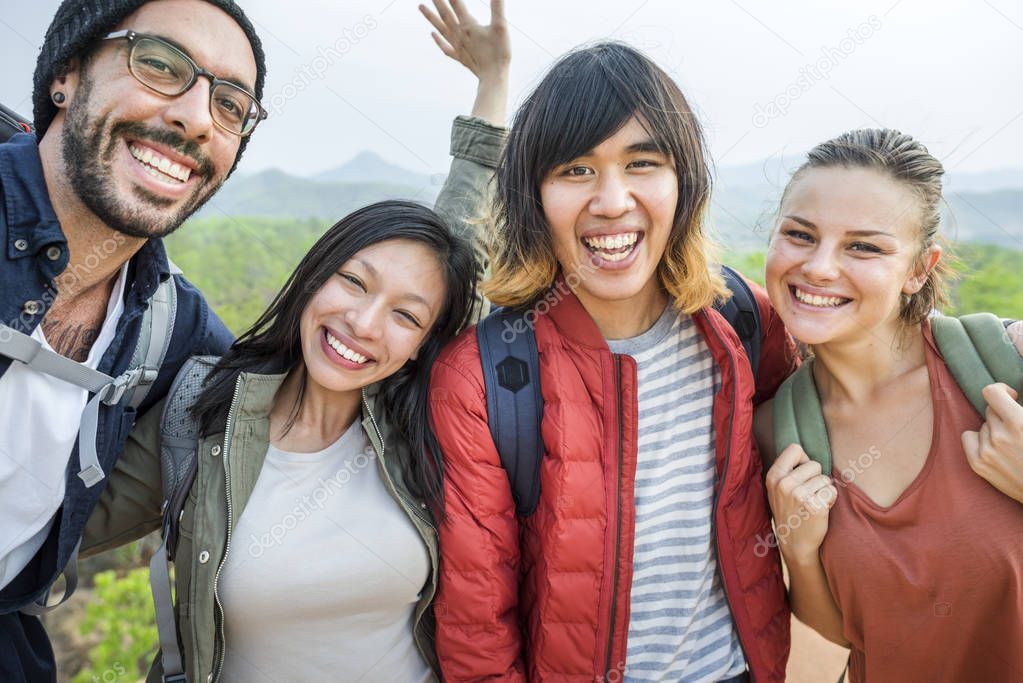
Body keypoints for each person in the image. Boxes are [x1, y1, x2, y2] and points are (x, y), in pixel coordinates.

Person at [82, 2, 510, 681]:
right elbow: (48, 529)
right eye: (352, 281)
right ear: (312, 277)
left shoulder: (419, 420)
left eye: (405, 316)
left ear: (426, 341)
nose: (365, 324)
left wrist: (493, 80)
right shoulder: (199, 416)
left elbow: (466, 235)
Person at [428, 42, 797, 682]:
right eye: (575, 170)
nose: (612, 200)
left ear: (685, 182)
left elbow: (854, 384)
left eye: (642, 163)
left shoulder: (741, 322)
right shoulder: (480, 378)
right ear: (532, 196)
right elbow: (477, 626)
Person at [0, 2, 265, 680]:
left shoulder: (174, 332)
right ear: (66, 73)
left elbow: (367, 341)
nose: (198, 117)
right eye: (159, 63)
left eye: (232, 104)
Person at [757, 128, 1023, 681]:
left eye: (864, 246)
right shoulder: (777, 430)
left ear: (920, 269)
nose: (820, 267)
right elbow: (847, 632)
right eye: (800, 235)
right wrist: (801, 551)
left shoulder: (1009, 363)